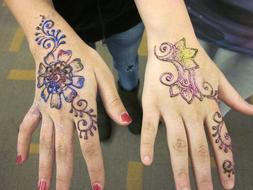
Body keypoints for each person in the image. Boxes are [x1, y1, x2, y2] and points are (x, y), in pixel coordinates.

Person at [5, 0, 253, 190]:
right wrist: (39, 21)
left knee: (127, 62)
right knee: (83, 80)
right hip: (66, 16)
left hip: (126, 13)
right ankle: (98, 104)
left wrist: (168, 25)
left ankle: (128, 92)